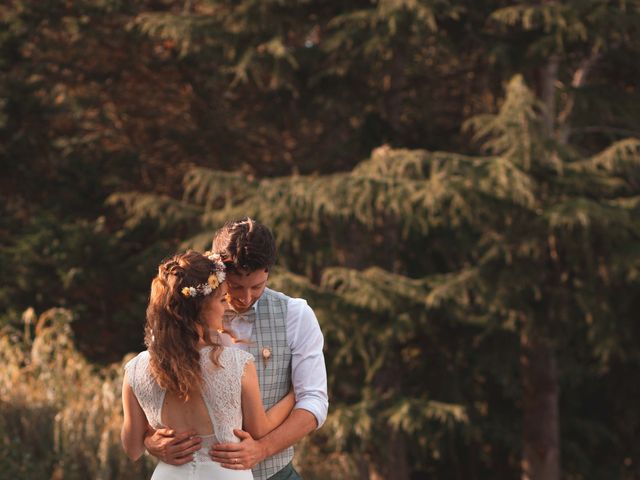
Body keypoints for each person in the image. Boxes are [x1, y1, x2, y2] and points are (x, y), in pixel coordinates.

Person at [144, 218, 329, 480]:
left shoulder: (296, 315)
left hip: (274, 473)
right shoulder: (179, 317)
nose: (245, 297)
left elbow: (314, 400)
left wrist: (262, 449)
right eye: (236, 287)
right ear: (217, 273)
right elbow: (151, 385)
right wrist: (150, 440)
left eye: (257, 287)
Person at [121, 250, 296, 480]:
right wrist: (295, 393)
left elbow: (132, 449)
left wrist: (148, 439)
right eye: (222, 299)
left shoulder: (136, 369)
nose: (227, 308)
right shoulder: (237, 365)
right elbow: (258, 430)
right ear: (200, 306)